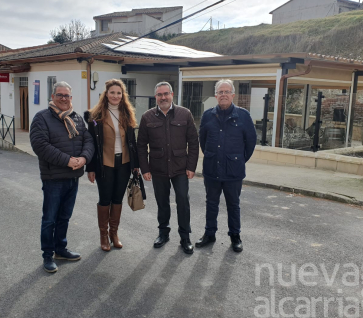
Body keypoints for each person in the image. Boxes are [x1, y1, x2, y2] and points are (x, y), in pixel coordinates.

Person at [30, 81, 94, 273]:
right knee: (50, 218)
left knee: (64, 217)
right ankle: (48, 255)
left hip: (73, 177)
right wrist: (67, 160)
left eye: (67, 96)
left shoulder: (77, 118)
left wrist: (83, 158)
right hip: (53, 178)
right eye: (60, 95)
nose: (64, 99)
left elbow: (88, 141)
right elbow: (40, 146)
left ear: (71, 98)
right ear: (53, 97)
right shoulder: (41, 118)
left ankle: (60, 249)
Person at [137, 81, 199, 254]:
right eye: (159, 94)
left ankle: (185, 237)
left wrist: (191, 166)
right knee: (162, 202)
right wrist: (145, 169)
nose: (163, 97)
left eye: (166, 94)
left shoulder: (184, 114)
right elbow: (141, 145)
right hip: (158, 168)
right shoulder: (147, 117)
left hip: (180, 167)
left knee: (182, 201)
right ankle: (163, 233)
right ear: (155, 97)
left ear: (172, 94)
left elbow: (193, 142)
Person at [196, 79, 256, 252]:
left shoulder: (243, 115)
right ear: (216, 95)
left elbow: (250, 143)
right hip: (211, 168)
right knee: (211, 203)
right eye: (220, 92)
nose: (223, 95)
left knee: (233, 205)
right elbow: (203, 141)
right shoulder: (208, 115)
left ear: (233, 95)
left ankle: (235, 236)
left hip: (233, 171)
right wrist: (212, 156)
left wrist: (237, 160)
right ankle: (209, 234)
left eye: (226, 92)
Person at [84, 79, 139, 251]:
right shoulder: (95, 117)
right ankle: (103, 236)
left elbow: (132, 142)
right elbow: (91, 143)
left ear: (123, 96)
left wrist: (135, 164)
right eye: (112, 92)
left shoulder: (127, 114)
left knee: (117, 199)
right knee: (105, 199)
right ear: (106, 94)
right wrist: (91, 168)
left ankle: (114, 234)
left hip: (123, 163)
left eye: (119, 93)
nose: (115, 96)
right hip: (104, 164)